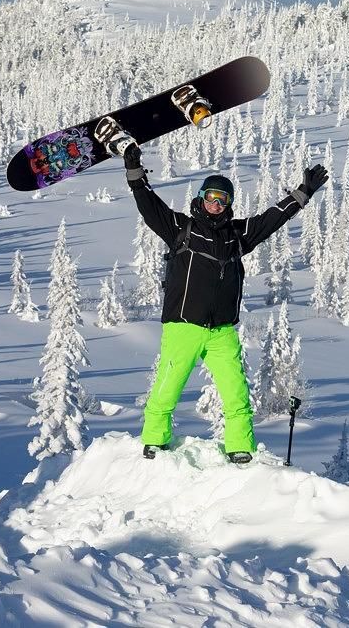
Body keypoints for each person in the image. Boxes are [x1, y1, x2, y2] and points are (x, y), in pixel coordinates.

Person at [122, 142, 328, 463]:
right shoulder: (180, 228)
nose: (216, 204)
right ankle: (154, 440)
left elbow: (272, 218)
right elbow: (150, 206)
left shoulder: (238, 235)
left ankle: (239, 447)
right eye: (211, 198)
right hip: (184, 326)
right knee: (167, 386)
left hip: (222, 332)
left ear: (229, 203)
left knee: (236, 393)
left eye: (223, 200)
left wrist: (302, 193)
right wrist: (135, 173)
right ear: (201, 198)